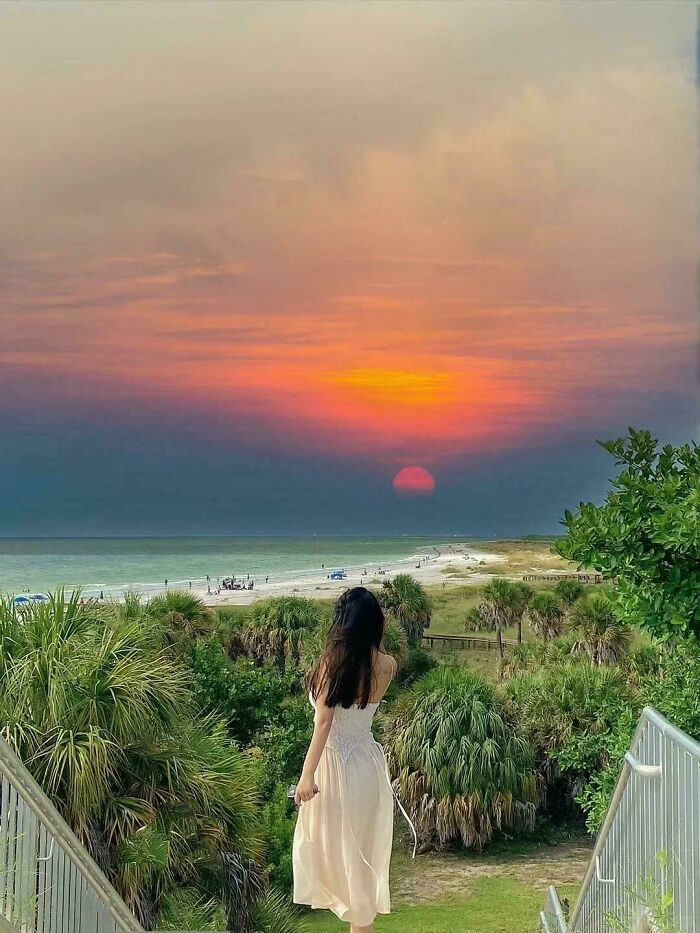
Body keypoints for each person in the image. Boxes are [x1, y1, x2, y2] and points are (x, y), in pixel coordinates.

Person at [293, 587, 415, 932]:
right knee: (358, 858)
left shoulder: (332, 664)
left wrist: (307, 775)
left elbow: (325, 722)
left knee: (330, 854)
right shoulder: (387, 664)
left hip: (334, 766)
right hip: (368, 764)